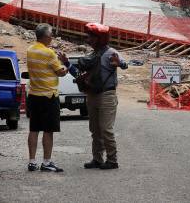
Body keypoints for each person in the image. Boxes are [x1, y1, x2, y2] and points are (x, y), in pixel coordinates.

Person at [59, 23, 127, 170]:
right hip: (92, 95)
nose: (88, 38)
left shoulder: (110, 53)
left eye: (91, 36)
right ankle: (97, 159)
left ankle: (112, 160)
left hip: (107, 95)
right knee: (95, 130)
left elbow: (124, 63)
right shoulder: (92, 55)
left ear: (99, 38)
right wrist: (66, 63)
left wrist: (119, 63)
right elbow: (79, 74)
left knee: (105, 129)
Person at [26, 23, 68, 172]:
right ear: (45, 36)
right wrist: (65, 64)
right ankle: (46, 162)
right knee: (48, 130)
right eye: (50, 35)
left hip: (34, 95)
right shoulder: (49, 53)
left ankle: (32, 161)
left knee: (34, 128)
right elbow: (60, 72)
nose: (52, 37)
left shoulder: (30, 50)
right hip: (49, 96)